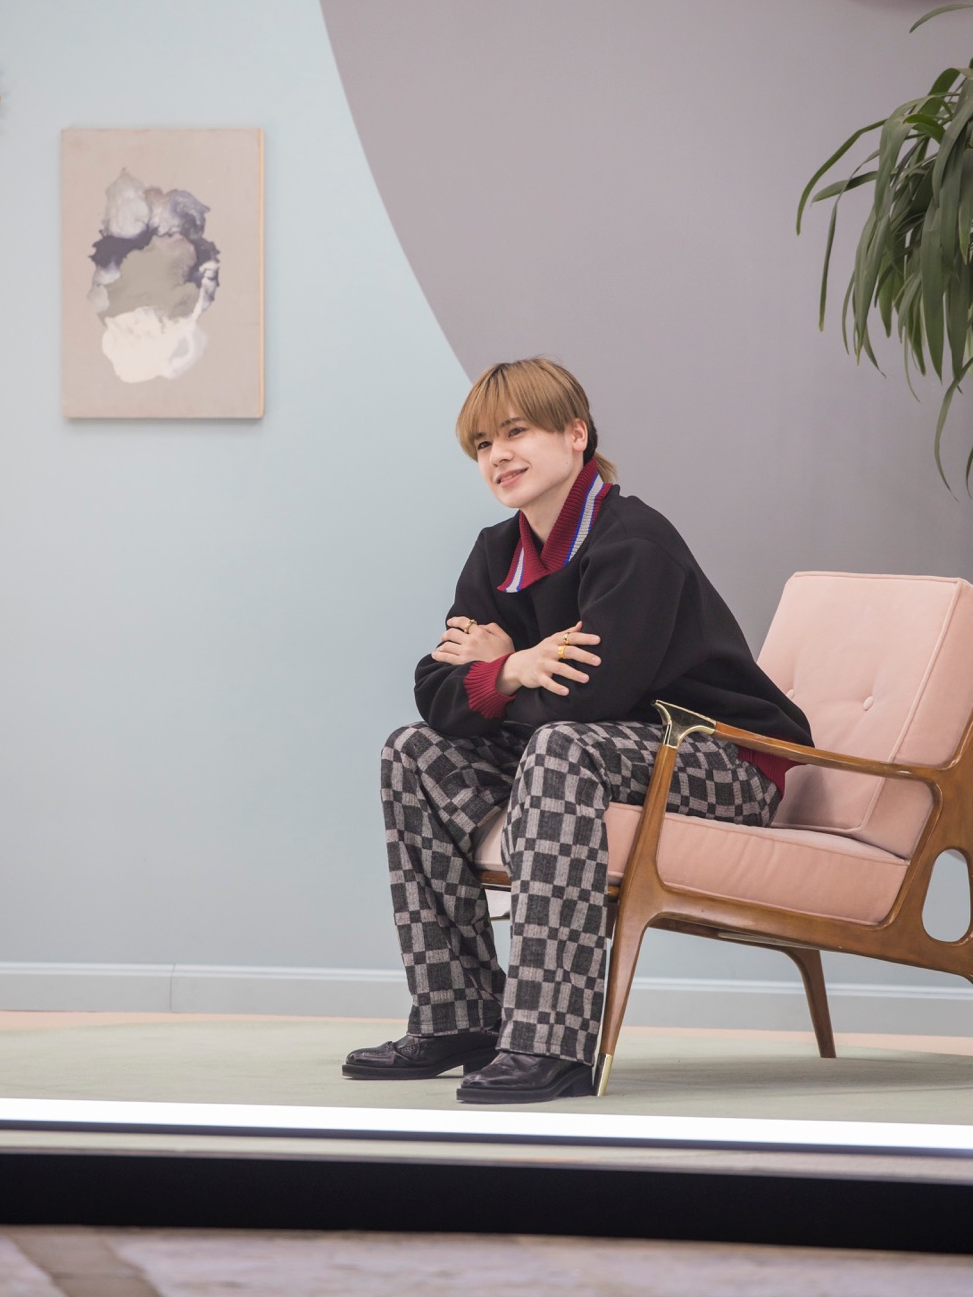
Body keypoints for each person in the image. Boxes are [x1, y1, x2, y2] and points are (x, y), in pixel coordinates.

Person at [343, 358, 812, 1104]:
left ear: (575, 435)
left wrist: (495, 677)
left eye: (516, 432)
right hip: (603, 751)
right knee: (413, 752)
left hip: (721, 757)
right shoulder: (495, 552)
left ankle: (551, 1044)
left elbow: (596, 697)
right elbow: (435, 691)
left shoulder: (634, 542)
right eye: (482, 444)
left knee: (561, 747)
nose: (498, 455)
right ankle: (459, 1017)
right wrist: (516, 667)